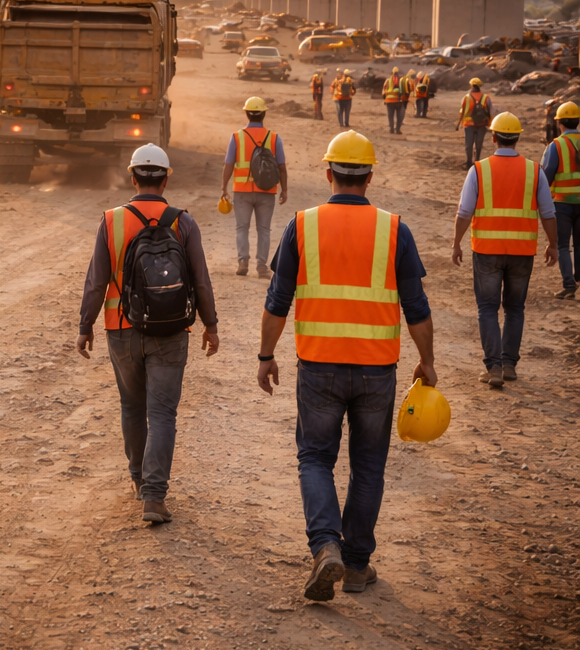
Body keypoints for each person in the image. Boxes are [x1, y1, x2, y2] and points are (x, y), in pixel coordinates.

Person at [256, 130, 437, 601]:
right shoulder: (395, 229)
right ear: (371, 176)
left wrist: (265, 355)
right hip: (377, 369)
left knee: (315, 458)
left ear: (329, 172)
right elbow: (417, 307)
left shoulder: (303, 224)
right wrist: (428, 362)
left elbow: (277, 301)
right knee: (369, 465)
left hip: (319, 368)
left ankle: (326, 548)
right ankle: (355, 565)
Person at [77, 143, 219, 524]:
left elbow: (96, 282)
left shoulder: (111, 221)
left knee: (131, 407)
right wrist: (211, 325)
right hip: (172, 331)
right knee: (162, 413)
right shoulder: (183, 221)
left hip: (121, 329)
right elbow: (201, 281)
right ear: (166, 177)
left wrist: (85, 326)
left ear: (132, 175)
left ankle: (139, 479)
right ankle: (154, 498)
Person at [451, 113, 557, 388]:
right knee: (515, 308)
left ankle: (494, 368)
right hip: (522, 251)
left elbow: (464, 211)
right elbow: (548, 212)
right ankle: (509, 364)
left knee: (487, 308)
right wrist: (554, 244)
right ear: (518, 137)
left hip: (487, 250)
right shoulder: (535, 171)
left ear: (493, 137)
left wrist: (456, 243)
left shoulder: (480, 169)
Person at [220, 96, 288, 277]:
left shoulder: (237, 137)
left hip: (242, 191)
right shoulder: (274, 138)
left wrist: (224, 187)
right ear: (264, 114)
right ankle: (261, 266)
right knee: (264, 229)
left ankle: (243, 261)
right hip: (267, 191)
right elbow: (281, 166)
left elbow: (228, 164)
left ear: (247, 114)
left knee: (242, 227)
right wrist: (285, 190)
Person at [542, 101, 580, 300]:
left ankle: (569, 284)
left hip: (563, 202)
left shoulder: (555, 145)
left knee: (563, 245)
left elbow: (546, 176)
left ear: (560, 124)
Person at [456, 77, 492, 169]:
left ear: (471, 85)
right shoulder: (486, 98)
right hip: (482, 124)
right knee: (479, 144)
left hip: (468, 124)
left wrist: (460, 122)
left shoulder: (466, 97)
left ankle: (468, 163)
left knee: (469, 145)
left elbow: (462, 110)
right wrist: (490, 124)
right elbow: (490, 111)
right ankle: (477, 162)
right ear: (480, 85)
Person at [383, 66, 404, 134]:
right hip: (399, 101)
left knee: (390, 116)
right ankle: (398, 129)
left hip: (389, 101)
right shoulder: (401, 81)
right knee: (399, 116)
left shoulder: (388, 80)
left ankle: (391, 129)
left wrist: (385, 98)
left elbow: (384, 90)